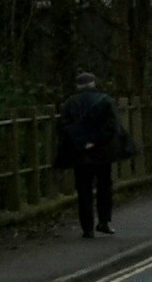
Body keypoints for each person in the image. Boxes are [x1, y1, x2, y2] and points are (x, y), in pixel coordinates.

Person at [54, 72, 131, 238]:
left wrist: (82, 142)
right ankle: (104, 221)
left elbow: (64, 127)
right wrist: (95, 141)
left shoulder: (69, 104)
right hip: (102, 152)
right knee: (104, 187)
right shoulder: (105, 101)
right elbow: (112, 126)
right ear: (93, 84)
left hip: (79, 153)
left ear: (78, 86)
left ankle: (87, 228)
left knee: (83, 190)